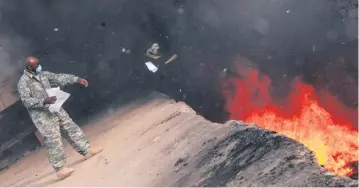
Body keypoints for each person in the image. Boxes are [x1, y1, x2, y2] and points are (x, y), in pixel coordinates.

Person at [17, 56, 103, 179]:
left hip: (55, 109)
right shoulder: (23, 83)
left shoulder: (42, 74)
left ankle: (86, 150)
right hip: (42, 116)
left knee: (71, 128)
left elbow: (59, 77)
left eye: (39, 64)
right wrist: (43, 100)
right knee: (53, 140)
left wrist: (77, 79)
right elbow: (26, 101)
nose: (39, 66)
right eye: (36, 65)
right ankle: (60, 169)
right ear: (29, 67)